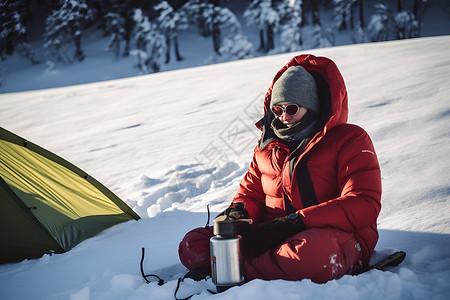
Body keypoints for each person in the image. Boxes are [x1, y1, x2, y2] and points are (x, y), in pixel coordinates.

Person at [178, 54, 382, 283]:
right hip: (271, 236)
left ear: (312, 106)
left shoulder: (350, 139)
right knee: (193, 243)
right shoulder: (267, 147)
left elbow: (364, 203)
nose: (284, 117)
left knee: (309, 254)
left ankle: (237, 271)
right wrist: (239, 215)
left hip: (335, 236)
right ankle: (250, 266)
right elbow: (250, 194)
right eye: (277, 110)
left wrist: (297, 221)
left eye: (292, 109)